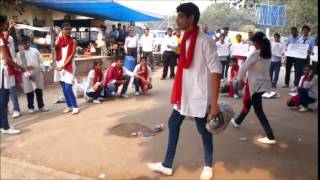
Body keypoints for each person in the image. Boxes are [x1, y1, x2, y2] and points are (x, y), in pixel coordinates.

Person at [147, 3, 222, 180]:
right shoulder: (185, 39)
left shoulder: (205, 41)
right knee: (173, 123)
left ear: (191, 18)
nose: (177, 19)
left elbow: (216, 72)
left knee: (203, 130)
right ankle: (167, 165)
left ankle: (208, 165)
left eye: (180, 16)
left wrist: (214, 104)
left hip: (199, 96)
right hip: (184, 94)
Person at [230, 31, 276, 145]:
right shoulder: (267, 54)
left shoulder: (256, 53)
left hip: (255, 85)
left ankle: (270, 137)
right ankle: (237, 121)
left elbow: (244, 67)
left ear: (258, 42)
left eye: (254, 42)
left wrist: (240, 79)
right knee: (248, 102)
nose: (253, 44)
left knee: (258, 111)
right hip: (262, 84)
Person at [0, 15, 25, 134]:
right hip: (3, 72)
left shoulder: (1, 37)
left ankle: (2, 125)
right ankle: (5, 127)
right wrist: (20, 67)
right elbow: (7, 59)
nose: (5, 26)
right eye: (4, 24)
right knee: (3, 101)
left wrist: (10, 29)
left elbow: (4, 38)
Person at [16, 36, 49, 114]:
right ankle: (30, 107)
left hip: (37, 72)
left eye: (28, 42)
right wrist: (26, 68)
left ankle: (41, 106)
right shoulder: (19, 54)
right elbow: (19, 65)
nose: (27, 44)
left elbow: (40, 61)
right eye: (25, 43)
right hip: (26, 74)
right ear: (21, 44)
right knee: (29, 91)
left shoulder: (35, 50)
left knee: (39, 90)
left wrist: (42, 70)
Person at [54, 22, 79, 114]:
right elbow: (54, 49)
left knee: (68, 87)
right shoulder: (59, 40)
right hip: (59, 64)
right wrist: (57, 38)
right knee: (63, 87)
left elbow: (72, 55)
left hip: (68, 66)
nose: (68, 31)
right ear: (62, 30)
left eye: (69, 29)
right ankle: (68, 106)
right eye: (66, 29)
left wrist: (63, 66)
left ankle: (75, 106)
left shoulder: (73, 41)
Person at [291, 25, 315, 92]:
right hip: (298, 58)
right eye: (304, 30)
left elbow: (313, 50)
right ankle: (296, 86)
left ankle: (302, 86)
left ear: (308, 31)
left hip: (306, 58)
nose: (305, 31)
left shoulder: (311, 39)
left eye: (306, 30)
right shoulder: (299, 39)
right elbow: (296, 47)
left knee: (304, 72)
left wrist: (309, 51)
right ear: (302, 31)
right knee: (297, 72)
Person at [5, 31, 21, 118]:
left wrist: (15, 65)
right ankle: (5, 108)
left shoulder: (9, 38)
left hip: (8, 66)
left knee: (12, 90)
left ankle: (16, 109)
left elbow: (11, 53)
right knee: (3, 91)